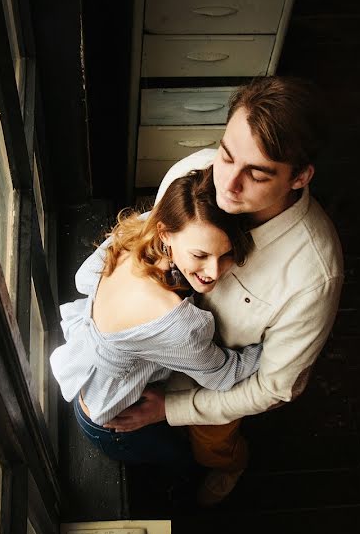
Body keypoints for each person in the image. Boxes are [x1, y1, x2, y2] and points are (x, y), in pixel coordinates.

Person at [105, 76, 344, 505]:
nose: (226, 184)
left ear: (301, 177)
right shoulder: (191, 173)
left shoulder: (314, 276)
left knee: (212, 445)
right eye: (228, 155)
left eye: (256, 174)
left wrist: (171, 410)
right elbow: (152, 245)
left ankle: (230, 464)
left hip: (214, 392)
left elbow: (276, 387)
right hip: (151, 356)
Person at [49, 170, 263, 467]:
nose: (213, 272)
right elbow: (223, 375)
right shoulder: (178, 323)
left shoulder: (139, 230)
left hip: (95, 390)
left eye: (225, 255)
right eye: (200, 254)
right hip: (116, 424)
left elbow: (83, 279)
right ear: (166, 234)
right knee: (179, 465)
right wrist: (275, 348)